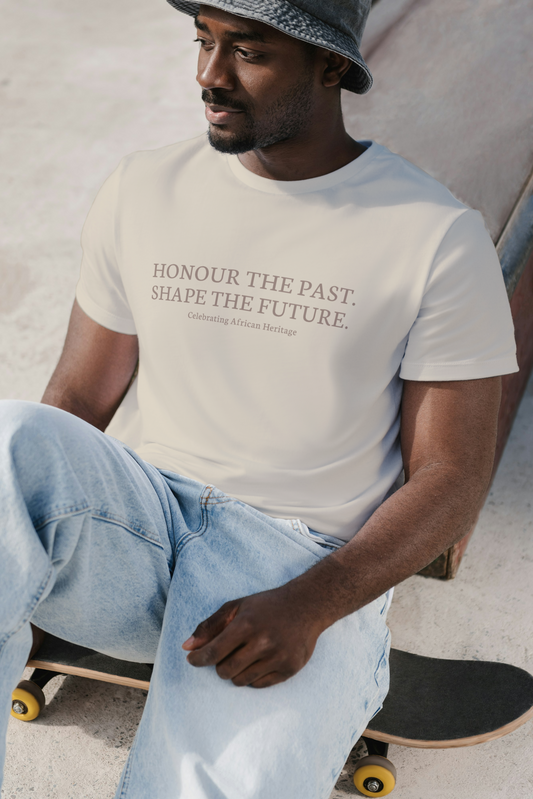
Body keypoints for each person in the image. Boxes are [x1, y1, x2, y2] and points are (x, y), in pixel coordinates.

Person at [0, 1, 518, 797]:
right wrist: (21, 563)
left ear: (332, 64)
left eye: (247, 51)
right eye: (203, 42)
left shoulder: (433, 237)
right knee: (10, 438)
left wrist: (314, 604)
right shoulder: (144, 187)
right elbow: (76, 396)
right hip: (140, 525)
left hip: (297, 564)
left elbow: (450, 476)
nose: (210, 76)